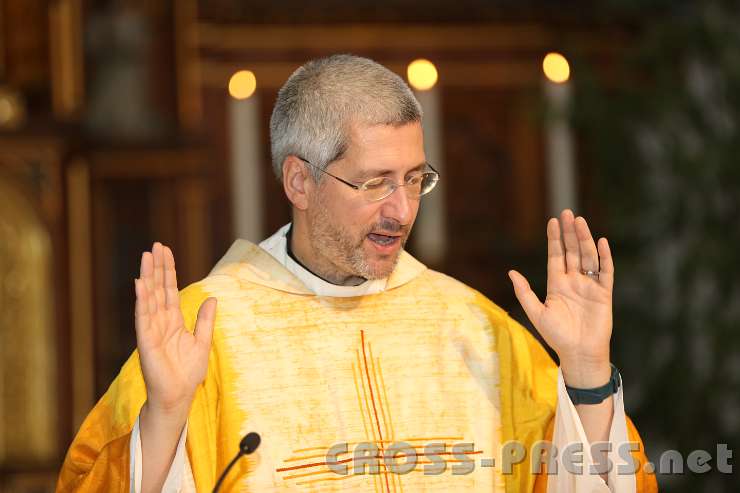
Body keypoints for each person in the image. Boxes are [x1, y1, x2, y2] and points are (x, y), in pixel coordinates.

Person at [58, 54, 657, 492]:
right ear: (300, 181)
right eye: (375, 183)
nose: (401, 210)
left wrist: (585, 375)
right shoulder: (201, 331)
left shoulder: (474, 328)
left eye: (415, 179)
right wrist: (165, 413)